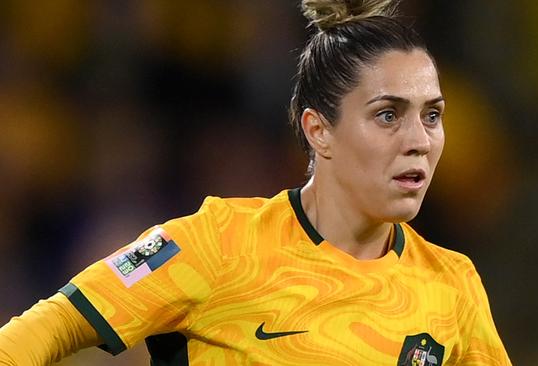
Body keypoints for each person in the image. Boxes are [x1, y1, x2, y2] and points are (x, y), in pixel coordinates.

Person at [0, 0, 511, 365]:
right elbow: (50, 327)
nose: (419, 140)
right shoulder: (219, 243)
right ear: (320, 130)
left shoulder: (452, 286)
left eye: (432, 115)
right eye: (387, 115)